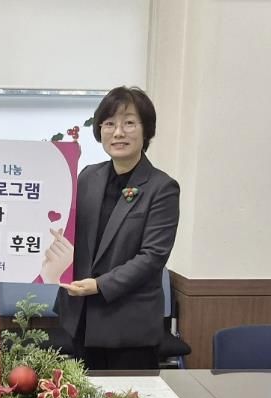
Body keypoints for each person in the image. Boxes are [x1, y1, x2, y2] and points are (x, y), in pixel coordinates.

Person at [55, 86, 180, 370]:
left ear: (146, 130)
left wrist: (100, 285)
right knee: (82, 397)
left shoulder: (162, 188)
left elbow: (152, 257)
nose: (118, 132)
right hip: (81, 319)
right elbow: (69, 233)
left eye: (129, 123)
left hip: (129, 327)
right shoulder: (88, 176)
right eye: (109, 124)